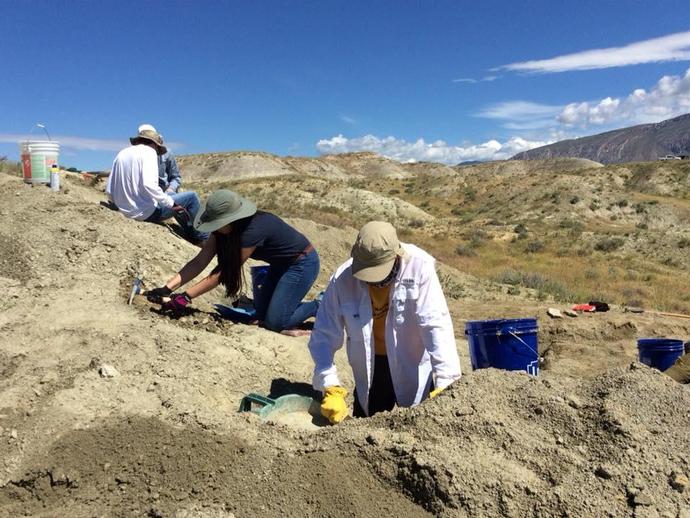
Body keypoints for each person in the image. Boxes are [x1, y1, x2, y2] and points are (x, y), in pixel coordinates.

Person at [308, 221, 461, 424]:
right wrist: (329, 385)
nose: (373, 283)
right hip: (371, 365)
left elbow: (436, 325)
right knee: (367, 429)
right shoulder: (342, 279)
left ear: (397, 256)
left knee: (418, 427)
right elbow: (323, 336)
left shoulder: (419, 267)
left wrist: (446, 383)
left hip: (411, 361)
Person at [145, 189, 320, 332]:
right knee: (261, 315)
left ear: (232, 219)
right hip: (278, 265)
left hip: (301, 264)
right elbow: (200, 261)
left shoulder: (253, 230)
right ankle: (285, 306)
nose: (213, 227)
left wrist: (185, 297)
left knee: (275, 323)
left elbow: (222, 273)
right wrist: (167, 288)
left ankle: (319, 305)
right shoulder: (222, 230)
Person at [106, 127, 208, 244]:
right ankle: (204, 238)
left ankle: (192, 234)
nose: (157, 151)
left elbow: (109, 189)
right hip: (145, 213)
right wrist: (172, 204)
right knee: (191, 197)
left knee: (174, 197)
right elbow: (149, 185)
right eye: (158, 148)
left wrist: (120, 206)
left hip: (124, 210)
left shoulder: (122, 153)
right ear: (154, 144)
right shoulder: (149, 153)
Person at [137, 124, 182, 194]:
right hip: (146, 195)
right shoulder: (136, 156)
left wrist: (171, 189)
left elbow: (175, 177)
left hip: (165, 192)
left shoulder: (167, 153)